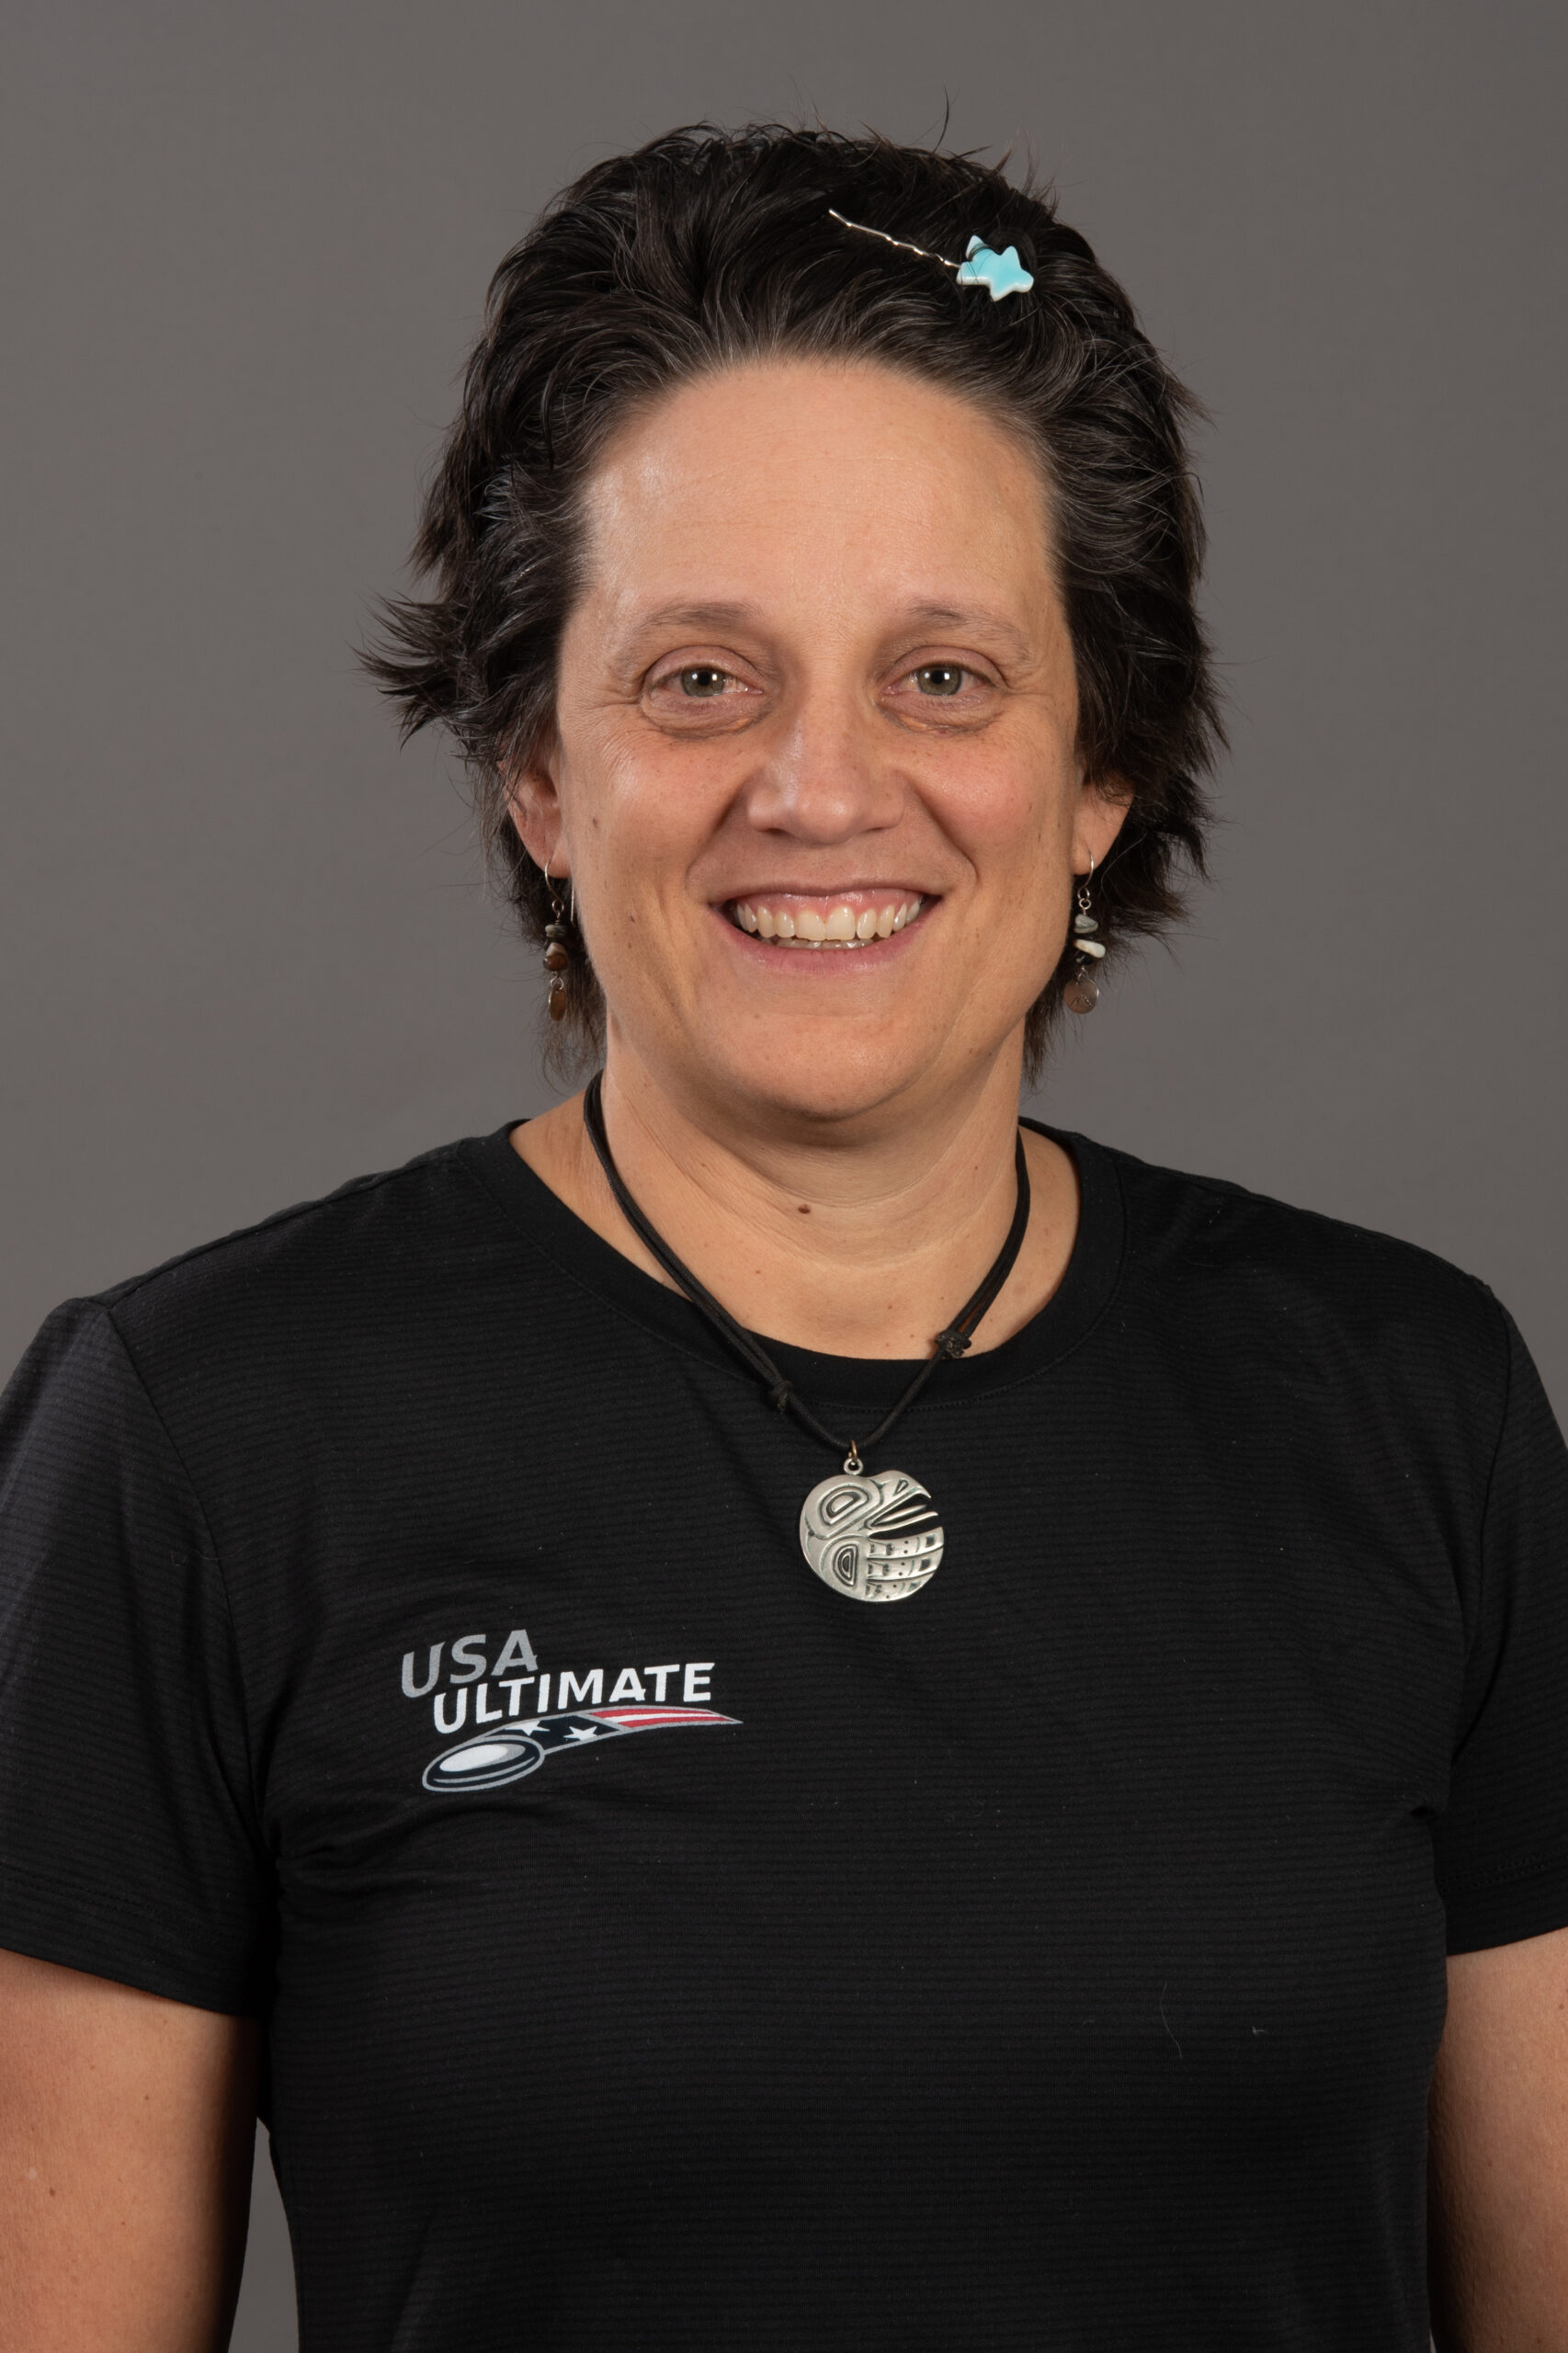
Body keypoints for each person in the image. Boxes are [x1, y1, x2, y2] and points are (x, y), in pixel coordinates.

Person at [1, 122, 1564, 2353]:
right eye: (700, 678)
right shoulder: (196, 1432)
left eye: (943, 677)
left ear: (1099, 771)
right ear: (539, 772)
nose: (819, 789)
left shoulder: (1413, 1408)